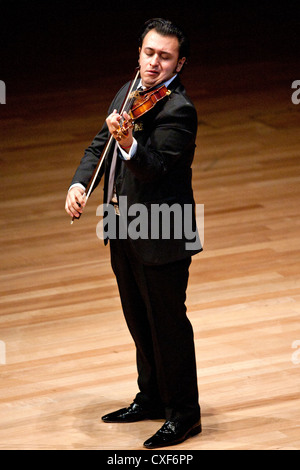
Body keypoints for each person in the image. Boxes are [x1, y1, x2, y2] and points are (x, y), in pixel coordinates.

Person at [65, 18, 202, 449]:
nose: (154, 62)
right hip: (123, 226)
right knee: (139, 320)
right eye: (149, 52)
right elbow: (96, 146)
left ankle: (184, 414)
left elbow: (155, 168)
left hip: (164, 231)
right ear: (139, 53)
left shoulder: (179, 109)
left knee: (168, 326)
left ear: (180, 62)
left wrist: (128, 143)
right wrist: (79, 184)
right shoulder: (128, 92)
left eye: (164, 56)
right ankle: (152, 398)